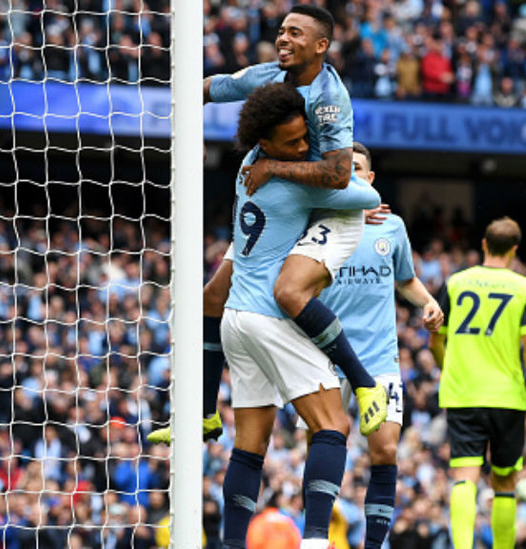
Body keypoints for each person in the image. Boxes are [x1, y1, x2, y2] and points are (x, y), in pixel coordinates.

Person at [147, 4, 386, 447]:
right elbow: (204, 88)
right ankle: (203, 415)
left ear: (320, 45)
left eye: (295, 33)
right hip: (283, 206)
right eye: (281, 31)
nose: (283, 39)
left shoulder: (331, 99)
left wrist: (275, 168)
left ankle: (364, 382)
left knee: (288, 292)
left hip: (327, 207)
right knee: (211, 298)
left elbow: (337, 177)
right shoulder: (268, 77)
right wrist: (191, 132)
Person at [220, 83, 380, 549]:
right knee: (333, 424)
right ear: (265, 144)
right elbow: (364, 197)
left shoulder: (250, 167)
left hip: (237, 319)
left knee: (249, 446)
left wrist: (282, 160)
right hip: (270, 318)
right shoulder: (290, 181)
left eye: (303, 138)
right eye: (291, 144)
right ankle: (314, 542)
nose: (304, 148)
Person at [296, 142, 443, 548]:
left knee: (385, 449)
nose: (351, 174)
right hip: (324, 354)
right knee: (323, 443)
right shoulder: (315, 219)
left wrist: (429, 303)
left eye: (358, 168)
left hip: (377, 356)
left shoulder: (391, 227)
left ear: (371, 178)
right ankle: (317, 539)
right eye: (343, 169)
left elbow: (406, 279)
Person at [429, 217, 526, 549]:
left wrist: (447, 369)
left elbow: (435, 341)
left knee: (465, 477)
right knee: (505, 480)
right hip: (508, 397)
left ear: (483, 244)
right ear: (514, 249)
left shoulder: (455, 283)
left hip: (463, 393)